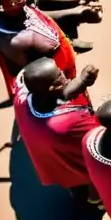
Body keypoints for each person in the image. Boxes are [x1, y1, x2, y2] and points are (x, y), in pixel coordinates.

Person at [0, 0, 100, 94]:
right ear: (1, 7)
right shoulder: (14, 43)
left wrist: (76, 4)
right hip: (59, 79)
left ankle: (71, 43)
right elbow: (36, 81)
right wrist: (80, 82)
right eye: (16, 0)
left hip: (60, 53)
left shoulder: (18, 5)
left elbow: (39, 12)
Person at [13, 57, 100, 196]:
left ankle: (74, 188)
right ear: (54, 87)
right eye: (61, 75)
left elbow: (60, 94)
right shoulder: (69, 121)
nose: (65, 76)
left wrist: (81, 81)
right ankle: (95, 197)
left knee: (67, 176)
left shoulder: (21, 98)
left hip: (49, 159)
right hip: (72, 158)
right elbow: (98, 137)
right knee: (92, 173)